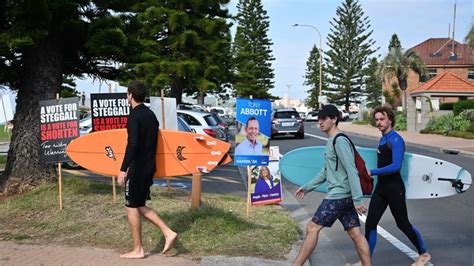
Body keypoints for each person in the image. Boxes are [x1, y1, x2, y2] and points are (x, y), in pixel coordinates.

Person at [293, 105, 371, 266]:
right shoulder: (332, 141)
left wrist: (358, 199)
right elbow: (325, 171)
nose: (320, 122)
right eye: (319, 119)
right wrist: (307, 187)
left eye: (324, 119)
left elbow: (352, 170)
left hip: (338, 196)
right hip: (345, 196)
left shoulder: (339, 141)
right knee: (355, 233)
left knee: (312, 228)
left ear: (334, 119)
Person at [117, 81, 177, 259]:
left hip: (138, 168)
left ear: (130, 95)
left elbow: (133, 144)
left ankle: (138, 249)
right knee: (139, 204)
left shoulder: (135, 116)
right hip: (149, 167)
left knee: (131, 206)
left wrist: (123, 169)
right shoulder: (151, 115)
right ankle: (168, 232)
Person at [365, 106, 431, 266]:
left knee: (402, 223)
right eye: (377, 120)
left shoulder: (396, 139)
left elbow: (396, 166)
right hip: (381, 188)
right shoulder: (382, 139)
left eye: (382, 119)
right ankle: (365, 261)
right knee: (370, 223)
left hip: (394, 188)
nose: (378, 122)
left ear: (390, 120)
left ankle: (423, 254)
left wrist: (372, 172)